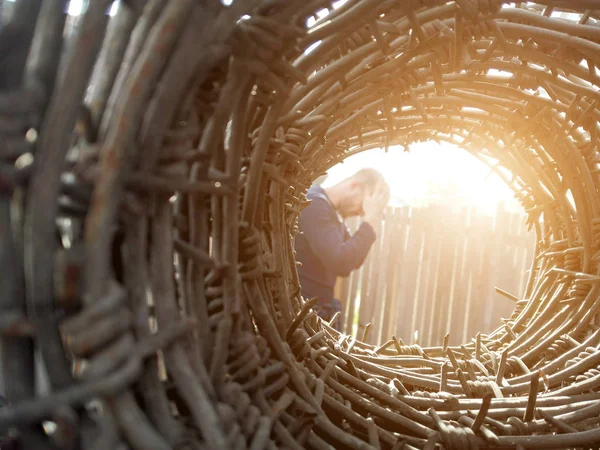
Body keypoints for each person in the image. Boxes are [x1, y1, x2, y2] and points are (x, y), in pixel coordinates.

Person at [294, 168, 390, 330]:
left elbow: (350, 262)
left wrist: (370, 225)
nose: (361, 213)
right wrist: (369, 223)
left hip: (315, 313)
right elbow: (340, 261)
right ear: (354, 185)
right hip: (299, 315)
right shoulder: (314, 203)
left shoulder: (332, 212)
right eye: (364, 205)